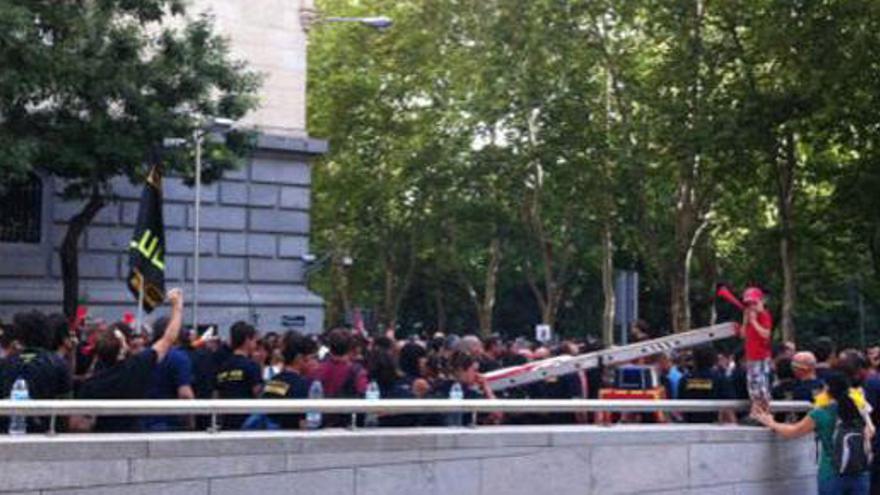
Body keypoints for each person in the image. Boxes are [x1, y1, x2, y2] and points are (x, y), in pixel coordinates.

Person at [71, 288, 184, 432]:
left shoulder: (91, 384)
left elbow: (76, 424)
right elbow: (168, 338)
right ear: (125, 347)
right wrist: (177, 305)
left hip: (102, 440)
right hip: (133, 436)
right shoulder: (136, 367)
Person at [754, 372, 875, 495]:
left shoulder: (821, 413)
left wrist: (771, 422)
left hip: (831, 474)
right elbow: (871, 431)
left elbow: (793, 432)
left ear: (827, 389)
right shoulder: (860, 409)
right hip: (860, 473)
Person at [0, 310, 73, 433]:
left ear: (20, 335)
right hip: (47, 434)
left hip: (9, 435)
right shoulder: (59, 363)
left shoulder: (6, 363)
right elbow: (66, 409)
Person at [141, 316, 195, 431]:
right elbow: (185, 394)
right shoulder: (180, 358)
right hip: (169, 423)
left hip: (142, 421)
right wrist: (190, 423)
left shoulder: (142, 356)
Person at [260, 332, 318, 429]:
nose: (314, 363)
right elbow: (303, 423)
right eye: (310, 358)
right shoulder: (302, 385)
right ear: (299, 358)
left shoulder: (273, 381)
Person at [215, 321, 262, 430]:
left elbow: (217, 394)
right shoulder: (252, 366)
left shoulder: (223, 366)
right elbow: (258, 393)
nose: (256, 345)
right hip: (247, 423)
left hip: (226, 422)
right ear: (247, 340)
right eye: (254, 340)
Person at [738, 286, 773, 418]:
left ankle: (765, 411)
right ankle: (757, 411)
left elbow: (766, 334)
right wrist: (745, 321)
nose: (751, 306)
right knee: (752, 385)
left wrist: (753, 321)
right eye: (748, 304)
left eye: (754, 303)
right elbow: (742, 335)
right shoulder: (750, 319)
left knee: (761, 385)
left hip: (761, 357)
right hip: (751, 356)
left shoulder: (764, 315)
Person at [678, 345, 735, 424]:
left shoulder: (685, 380)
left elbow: (680, 403)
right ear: (713, 359)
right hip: (714, 425)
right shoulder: (719, 378)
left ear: (695, 359)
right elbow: (728, 405)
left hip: (690, 425)